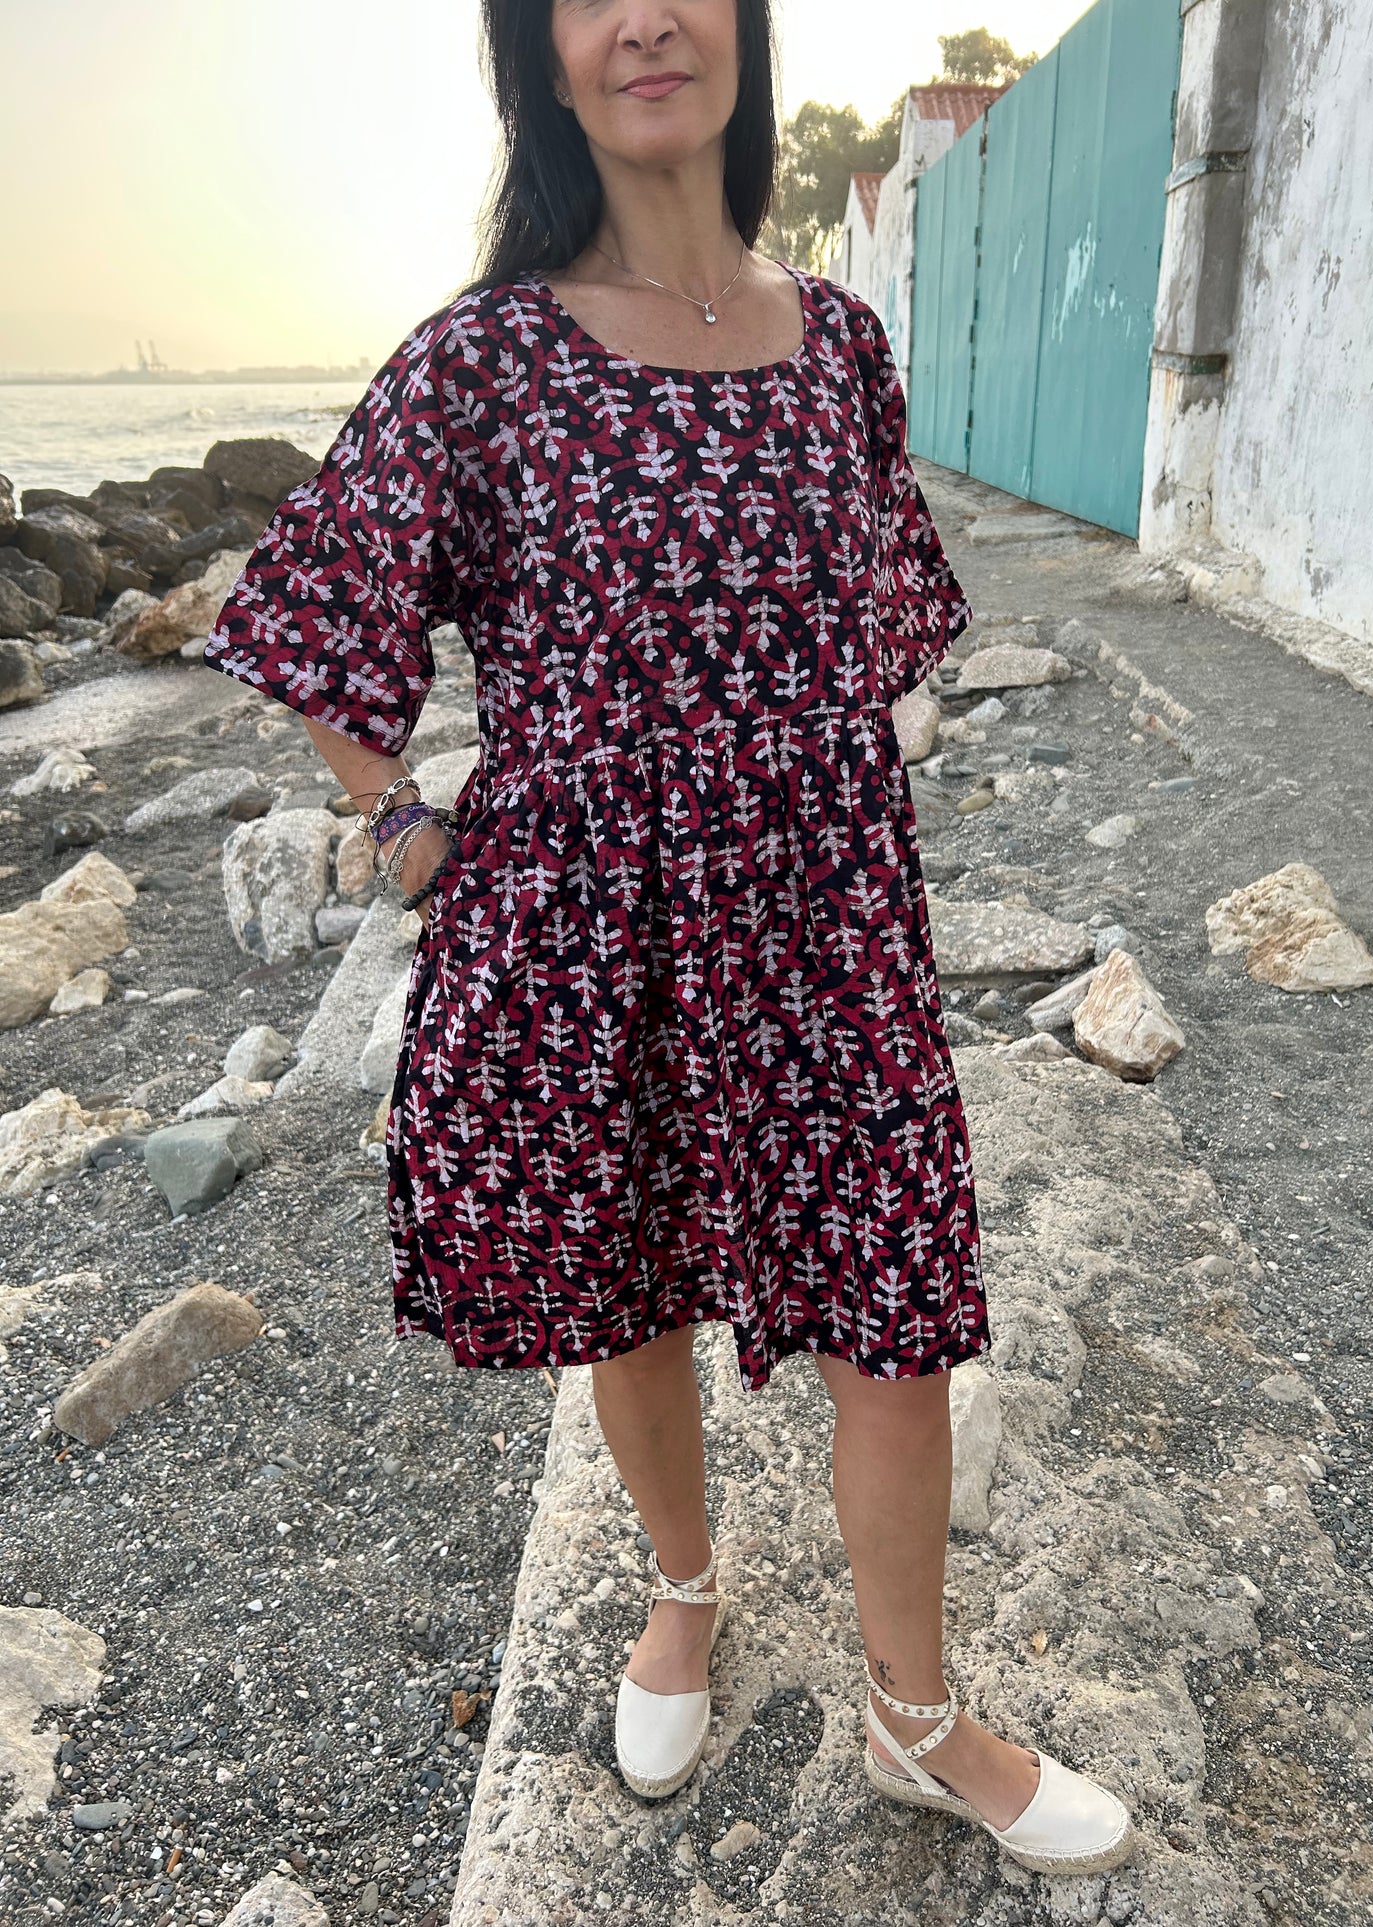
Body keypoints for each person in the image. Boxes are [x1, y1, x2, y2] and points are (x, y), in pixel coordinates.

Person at [201, 0, 1134, 1879]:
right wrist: (402, 823)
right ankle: (684, 1586)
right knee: (622, 1283)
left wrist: (787, 783)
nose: (645, 18)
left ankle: (914, 1717)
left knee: (895, 1301)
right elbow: (316, 608)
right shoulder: (481, 358)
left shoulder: (839, 344)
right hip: (577, 918)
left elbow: (876, 628)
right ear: (540, 59)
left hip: (823, 916)